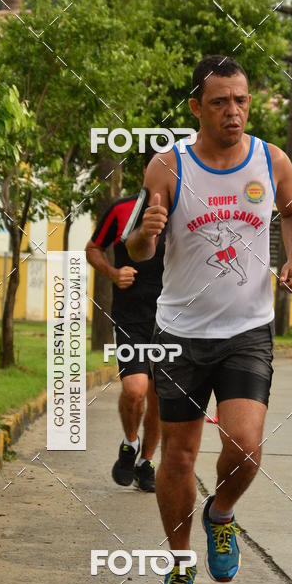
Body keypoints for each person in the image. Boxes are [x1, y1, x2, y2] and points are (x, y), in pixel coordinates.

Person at [127, 54, 292, 584]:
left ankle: (221, 511)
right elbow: (137, 247)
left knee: (246, 448)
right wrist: (145, 236)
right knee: (178, 454)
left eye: (242, 100)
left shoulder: (270, 161)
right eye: (220, 102)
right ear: (196, 108)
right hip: (180, 330)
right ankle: (180, 565)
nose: (234, 112)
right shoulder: (167, 167)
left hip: (248, 328)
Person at [85, 151, 165, 492]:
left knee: (161, 395)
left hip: (173, 318)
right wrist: (113, 273)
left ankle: (146, 462)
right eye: (158, 166)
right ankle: (129, 445)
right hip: (131, 315)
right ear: (145, 171)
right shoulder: (121, 209)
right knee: (135, 389)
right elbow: (93, 248)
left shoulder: (187, 215)